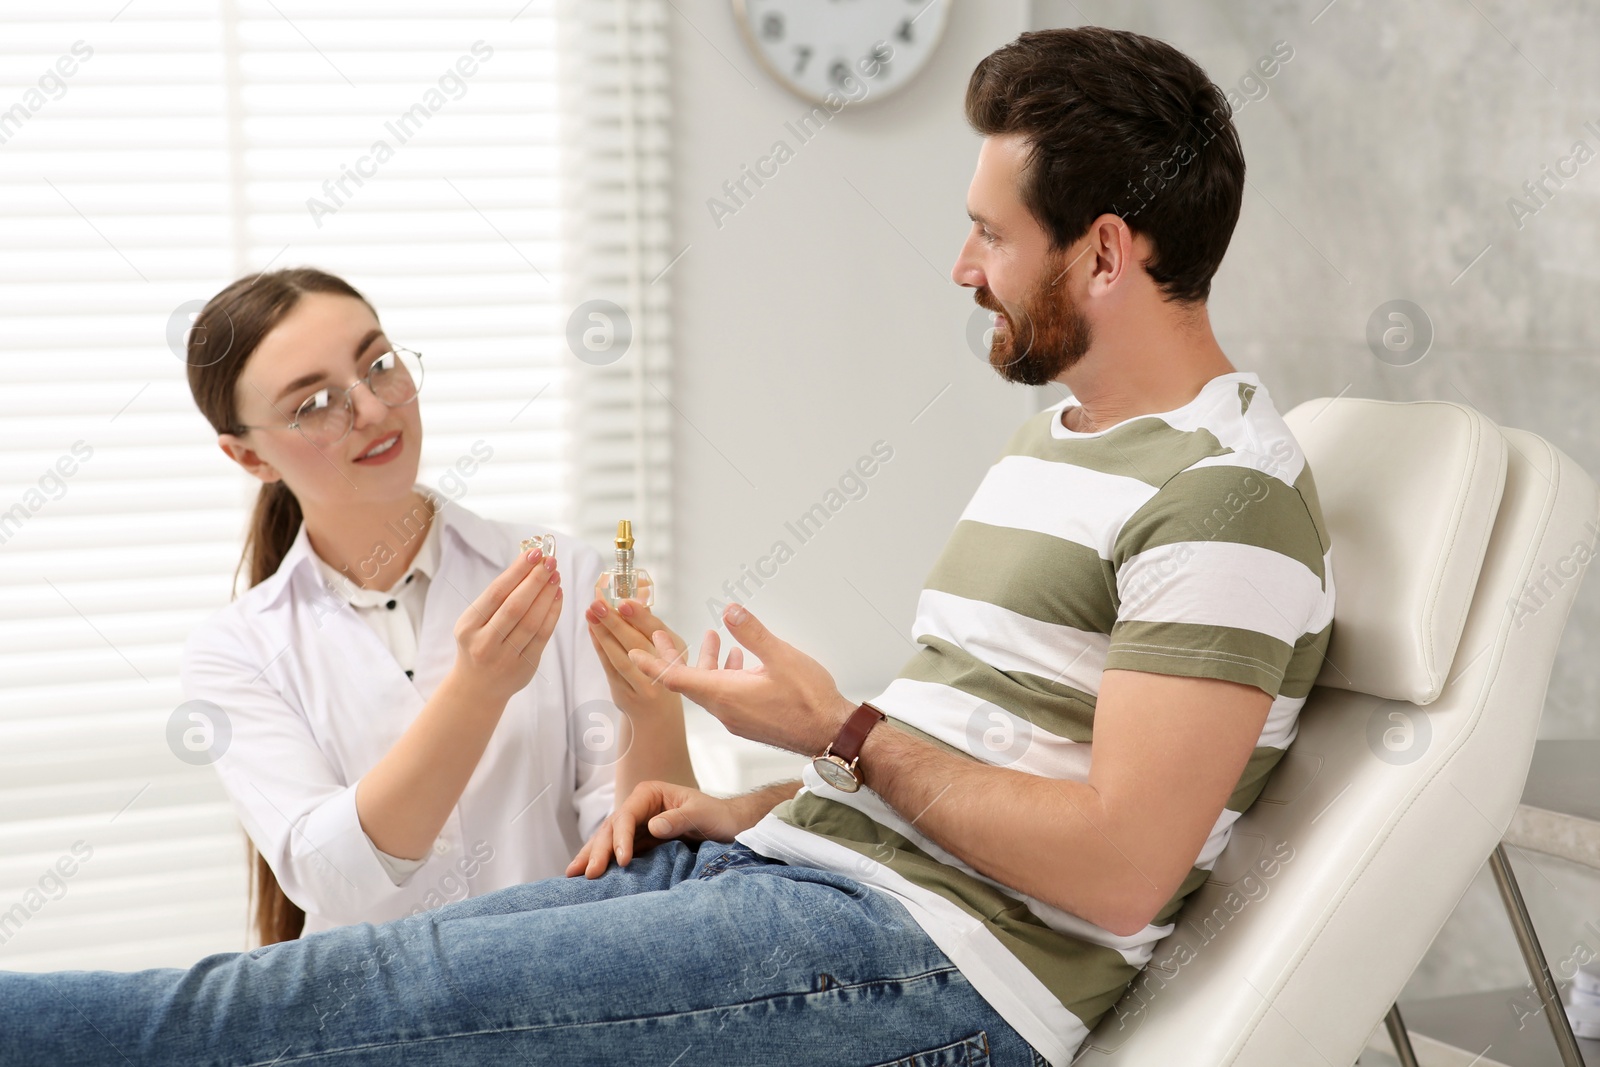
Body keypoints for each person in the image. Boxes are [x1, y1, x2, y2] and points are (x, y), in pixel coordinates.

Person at [0, 26, 1334, 1066]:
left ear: (1102, 253)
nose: (961, 266)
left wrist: (841, 731)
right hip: (814, 880)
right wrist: (763, 797)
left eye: (991, 233)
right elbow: (995, 770)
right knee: (321, 999)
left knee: (304, 1012)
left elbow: (1118, 864)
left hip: (919, 969)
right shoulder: (1069, 440)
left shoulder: (1225, 498)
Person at [176, 268, 697, 943]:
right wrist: (476, 692)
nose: (371, 410)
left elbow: (643, 849)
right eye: (315, 404)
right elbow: (331, 874)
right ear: (248, 457)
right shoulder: (237, 650)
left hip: (560, 996)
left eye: (379, 365)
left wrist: (655, 708)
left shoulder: (561, 572)